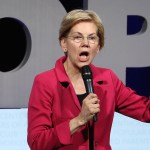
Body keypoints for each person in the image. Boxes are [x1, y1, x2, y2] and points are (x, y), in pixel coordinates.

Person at [27, 9, 150, 150]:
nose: (85, 43)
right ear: (64, 44)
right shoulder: (45, 82)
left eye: (92, 38)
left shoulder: (108, 79)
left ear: (98, 46)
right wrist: (79, 120)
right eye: (77, 37)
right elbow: (37, 143)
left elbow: (145, 110)